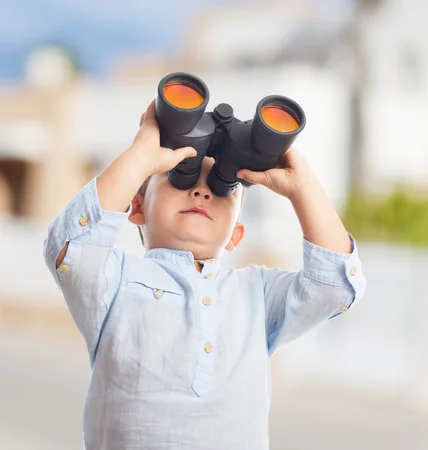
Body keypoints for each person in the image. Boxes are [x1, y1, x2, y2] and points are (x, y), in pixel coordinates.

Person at [42, 100, 366, 449]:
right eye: (179, 176)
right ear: (136, 207)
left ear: (236, 234)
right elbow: (70, 247)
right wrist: (141, 155)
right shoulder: (116, 279)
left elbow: (333, 285)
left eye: (223, 186)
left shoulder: (255, 293)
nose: (202, 190)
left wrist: (303, 186)